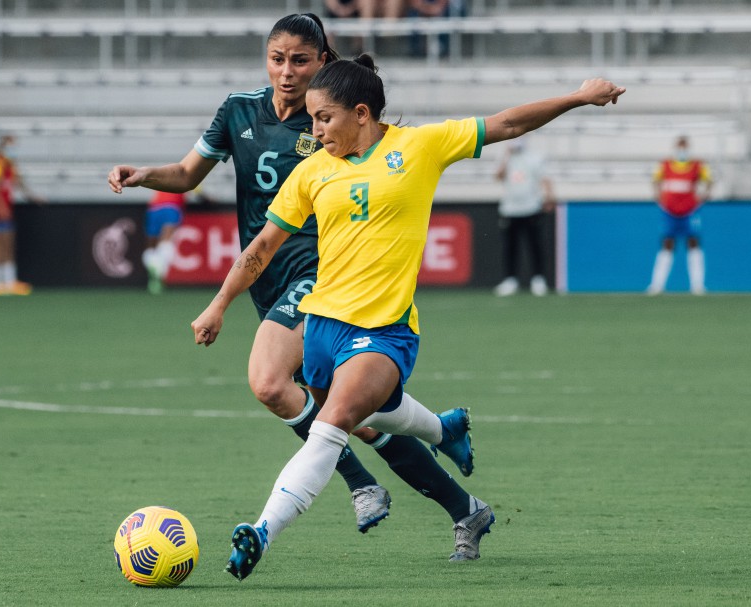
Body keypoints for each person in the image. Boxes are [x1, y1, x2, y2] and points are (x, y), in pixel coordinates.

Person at [190, 56, 624, 580]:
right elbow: (263, 246)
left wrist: (577, 97)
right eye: (312, 119)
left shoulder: (419, 146)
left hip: (385, 329)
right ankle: (447, 444)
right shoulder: (312, 171)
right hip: (321, 327)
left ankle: (262, 532)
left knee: (333, 423)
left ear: (361, 113)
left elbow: (507, 124)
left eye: (324, 118)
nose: (314, 130)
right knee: (371, 416)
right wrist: (219, 303)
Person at [109, 14, 492, 558]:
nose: (286, 72)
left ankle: (353, 488)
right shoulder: (239, 110)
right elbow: (189, 174)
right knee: (359, 417)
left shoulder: (328, 131)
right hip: (266, 276)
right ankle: (459, 494)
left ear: (323, 63)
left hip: (317, 276)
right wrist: (143, 174)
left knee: (272, 384)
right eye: (277, 59)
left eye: (300, 61)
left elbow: (380, 160)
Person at [647, 135, 713, 295]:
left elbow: (709, 180)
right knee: (667, 243)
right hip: (669, 211)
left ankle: (697, 286)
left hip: (690, 211)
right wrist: (658, 196)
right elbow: (655, 180)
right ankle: (657, 285)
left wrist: (704, 195)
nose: (682, 150)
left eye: (684, 146)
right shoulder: (665, 165)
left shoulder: (697, 165)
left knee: (693, 243)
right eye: (680, 146)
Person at [492, 137, 556, 297]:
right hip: (509, 209)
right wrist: (506, 156)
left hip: (531, 207)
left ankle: (538, 279)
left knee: (535, 246)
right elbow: (498, 176)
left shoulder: (534, 158)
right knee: (510, 247)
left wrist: (549, 197)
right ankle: (510, 280)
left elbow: (544, 178)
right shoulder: (504, 157)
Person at [0, 134, 44, 295]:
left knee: (9, 245)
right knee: (0, 246)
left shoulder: (11, 165)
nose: (13, 149)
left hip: (6, 209)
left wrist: (32, 197)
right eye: (11, 146)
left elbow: (19, 183)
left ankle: (9, 282)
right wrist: (1, 208)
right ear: (3, 147)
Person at [143, 189, 186, 294]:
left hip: (154, 207)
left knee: (151, 245)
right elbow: (197, 189)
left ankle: (153, 268)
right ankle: (160, 273)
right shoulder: (184, 177)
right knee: (167, 240)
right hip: (171, 206)